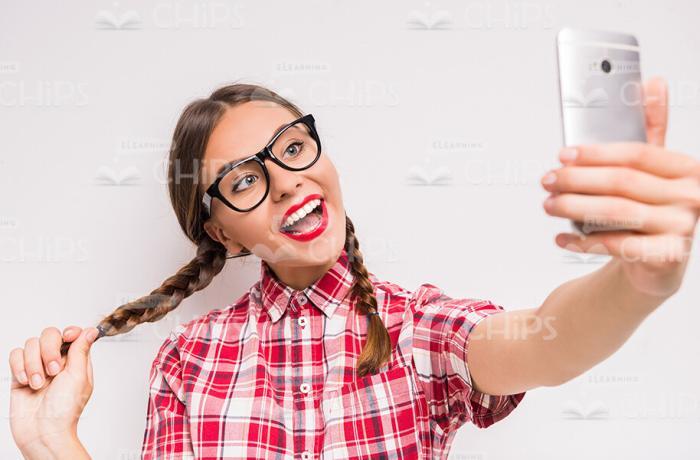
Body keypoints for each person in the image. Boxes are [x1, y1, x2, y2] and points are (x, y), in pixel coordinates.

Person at [9, 80, 699, 459]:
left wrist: (637, 283)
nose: (285, 182)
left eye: (293, 147)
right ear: (223, 230)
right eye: (245, 180)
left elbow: (549, 339)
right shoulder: (189, 358)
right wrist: (50, 443)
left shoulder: (415, 327)